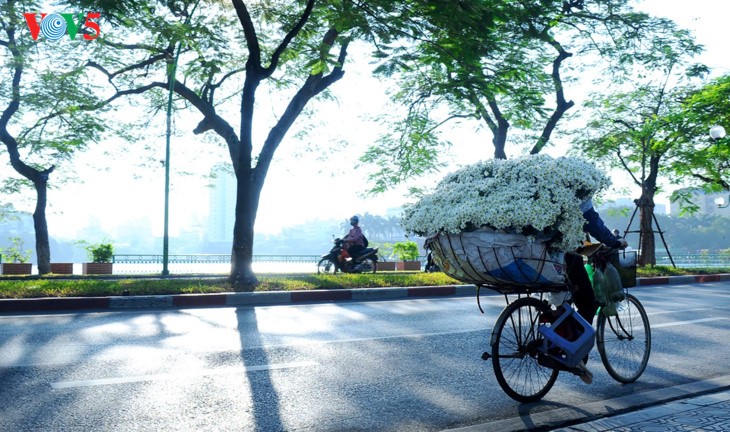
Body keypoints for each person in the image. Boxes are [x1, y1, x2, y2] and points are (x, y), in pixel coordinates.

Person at [565, 197, 628, 384]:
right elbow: (592, 222)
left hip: (539, 254)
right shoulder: (579, 191)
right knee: (588, 304)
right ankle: (578, 357)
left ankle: (563, 339)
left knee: (565, 301)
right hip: (566, 255)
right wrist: (614, 242)